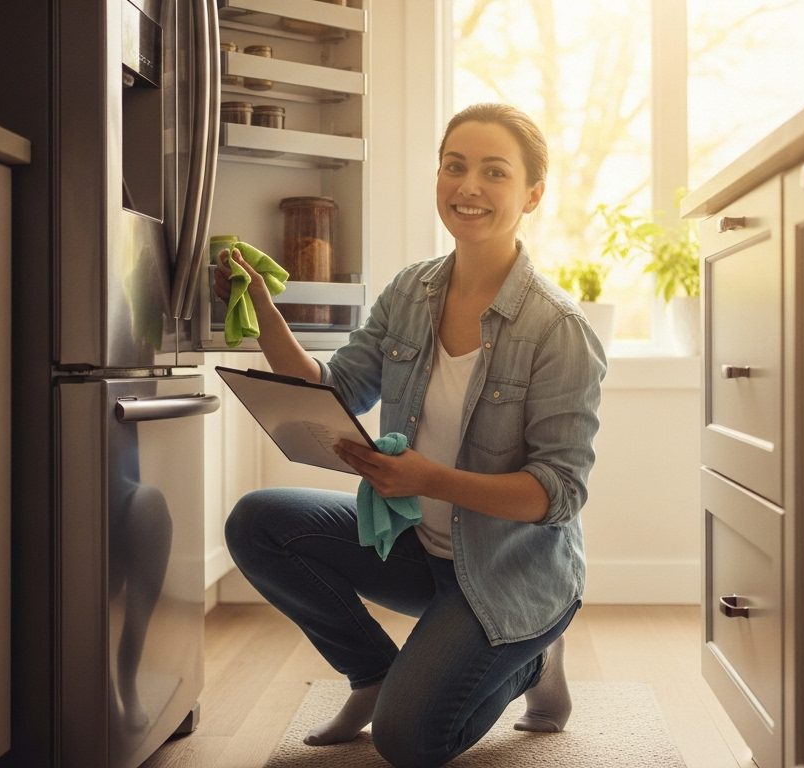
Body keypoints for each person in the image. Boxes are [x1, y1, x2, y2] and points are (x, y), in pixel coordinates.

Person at [215, 102, 607, 767]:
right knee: (257, 522)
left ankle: (533, 662)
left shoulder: (558, 329)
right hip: (419, 549)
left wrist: (429, 479)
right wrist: (265, 316)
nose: (468, 187)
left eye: (494, 172)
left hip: (510, 574)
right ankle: (371, 673)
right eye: (454, 167)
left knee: (409, 741)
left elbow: (558, 493)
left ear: (532, 194)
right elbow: (340, 387)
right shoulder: (410, 291)